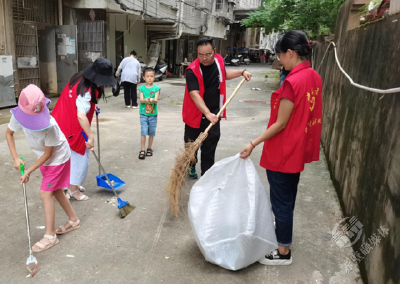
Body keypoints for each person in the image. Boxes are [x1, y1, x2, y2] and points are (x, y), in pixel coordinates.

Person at [240, 30, 322, 266]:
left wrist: (253, 143)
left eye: (280, 56)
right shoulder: (313, 76)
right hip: (298, 147)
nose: (279, 61)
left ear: (290, 53)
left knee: (281, 202)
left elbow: (280, 123)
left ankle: (282, 251)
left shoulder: (292, 83)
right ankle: (281, 233)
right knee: (288, 196)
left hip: (284, 151)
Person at [6, 84, 80, 252]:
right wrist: (16, 158)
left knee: (45, 192)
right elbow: (9, 134)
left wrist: (29, 171)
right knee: (55, 190)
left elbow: (48, 155)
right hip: (46, 159)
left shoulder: (50, 126)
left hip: (58, 157)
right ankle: (73, 220)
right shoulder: (17, 116)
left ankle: (50, 236)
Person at [183, 37, 252, 179]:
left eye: (208, 54)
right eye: (200, 55)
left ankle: (205, 180)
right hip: (195, 117)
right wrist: (206, 113)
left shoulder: (219, 61)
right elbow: (194, 94)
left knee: (209, 151)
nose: (204, 58)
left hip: (214, 115)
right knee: (192, 148)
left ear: (214, 51)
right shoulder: (192, 70)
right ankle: (191, 166)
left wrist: (241, 72)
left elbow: (224, 75)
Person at [52, 58, 116, 201]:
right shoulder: (86, 91)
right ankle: (73, 190)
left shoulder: (79, 77)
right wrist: (90, 135)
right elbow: (81, 115)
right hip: (72, 127)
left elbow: (77, 101)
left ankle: (69, 184)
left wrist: (92, 106)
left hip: (60, 120)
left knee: (68, 156)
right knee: (80, 158)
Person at [138, 68, 160, 159]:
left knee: (151, 131)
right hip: (143, 114)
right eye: (147, 76)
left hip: (153, 114)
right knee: (143, 131)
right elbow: (141, 100)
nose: (149, 78)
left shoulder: (156, 88)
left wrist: (152, 100)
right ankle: (142, 149)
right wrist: (147, 100)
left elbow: (156, 100)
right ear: (144, 78)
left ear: (154, 77)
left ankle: (149, 148)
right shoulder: (141, 88)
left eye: (151, 76)